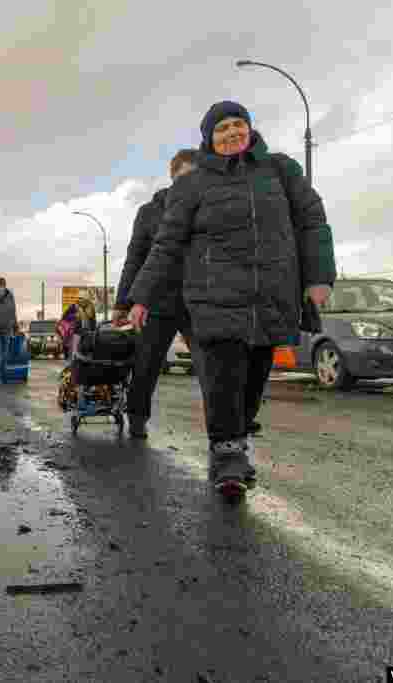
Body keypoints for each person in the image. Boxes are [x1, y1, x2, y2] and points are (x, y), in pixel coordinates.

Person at [128, 101, 336, 491]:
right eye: (221, 128)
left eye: (238, 124)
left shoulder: (281, 170)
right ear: (209, 138)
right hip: (215, 296)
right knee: (223, 376)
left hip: (270, 294)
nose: (231, 132)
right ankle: (227, 456)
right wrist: (139, 297)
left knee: (254, 379)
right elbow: (166, 244)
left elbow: (312, 221)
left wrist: (319, 276)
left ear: (250, 128)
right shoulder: (192, 185)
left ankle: (237, 441)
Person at [112, 149, 200, 439]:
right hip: (158, 301)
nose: (191, 182)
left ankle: (225, 431)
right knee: (146, 364)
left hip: (198, 301)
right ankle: (137, 417)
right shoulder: (149, 212)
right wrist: (122, 303)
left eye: (196, 176)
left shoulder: (209, 205)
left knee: (211, 368)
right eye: (185, 177)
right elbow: (135, 258)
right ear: (173, 177)